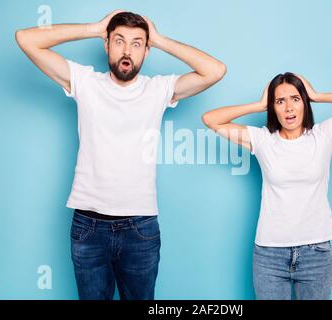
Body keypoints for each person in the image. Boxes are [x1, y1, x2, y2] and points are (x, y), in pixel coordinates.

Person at [15, 10, 226, 300]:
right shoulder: (84, 81)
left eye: (137, 43)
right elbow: (26, 39)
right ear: (106, 44)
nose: (127, 51)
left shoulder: (158, 89)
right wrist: (95, 27)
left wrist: (160, 39)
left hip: (140, 227)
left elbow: (215, 71)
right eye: (119, 41)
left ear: (146, 50)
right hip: (89, 225)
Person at [202, 72, 332, 300]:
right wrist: (258, 104)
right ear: (273, 108)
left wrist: (318, 95)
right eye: (279, 101)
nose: (288, 107)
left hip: (316, 253)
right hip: (269, 255)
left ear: (304, 103)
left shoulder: (323, 135)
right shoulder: (263, 140)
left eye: (295, 98)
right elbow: (210, 119)